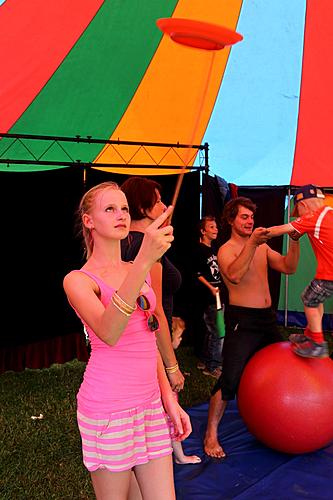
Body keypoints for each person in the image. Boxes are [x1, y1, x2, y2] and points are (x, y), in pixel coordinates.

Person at [63, 182, 191, 500]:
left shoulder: (138, 269)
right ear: (89, 221)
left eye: (124, 208)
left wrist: (168, 399)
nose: (121, 215)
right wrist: (145, 261)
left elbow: (147, 339)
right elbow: (109, 331)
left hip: (148, 406)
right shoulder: (78, 280)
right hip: (108, 411)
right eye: (110, 209)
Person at [204, 196, 300, 459]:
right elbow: (234, 275)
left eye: (251, 217)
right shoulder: (226, 249)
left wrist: (294, 239)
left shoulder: (261, 247)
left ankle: (276, 420)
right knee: (230, 378)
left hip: (267, 320)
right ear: (231, 220)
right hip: (242, 321)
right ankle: (211, 434)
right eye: (244, 217)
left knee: (281, 369)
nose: (250, 221)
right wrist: (253, 243)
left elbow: (289, 267)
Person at [120, 177, 200, 465]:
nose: (165, 205)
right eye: (157, 201)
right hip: (149, 341)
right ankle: (162, 459)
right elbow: (155, 313)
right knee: (162, 400)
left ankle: (172, 454)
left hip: (133, 341)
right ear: (143, 207)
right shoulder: (144, 245)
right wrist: (172, 366)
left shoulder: (126, 241)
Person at [266, 184, 332, 358]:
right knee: (317, 299)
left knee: (309, 300)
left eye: (298, 211)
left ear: (303, 205)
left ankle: (317, 343)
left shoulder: (312, 217)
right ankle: (310, 335)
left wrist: (262, 234)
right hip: (328, 273)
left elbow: (282, 229)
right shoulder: (329, 213)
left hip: (329, 274)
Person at [194, 216, 224, 378]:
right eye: (211, 227)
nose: (216, 230)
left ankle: (204, 361)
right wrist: (211, 288)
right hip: (210, 297)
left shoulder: (215, 249)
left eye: (216, 227)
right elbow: (197, 274)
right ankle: (212, 367)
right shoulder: (199, 250)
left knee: (212, 330)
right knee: (219, 331)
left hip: (218, 295)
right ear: (203, 231)